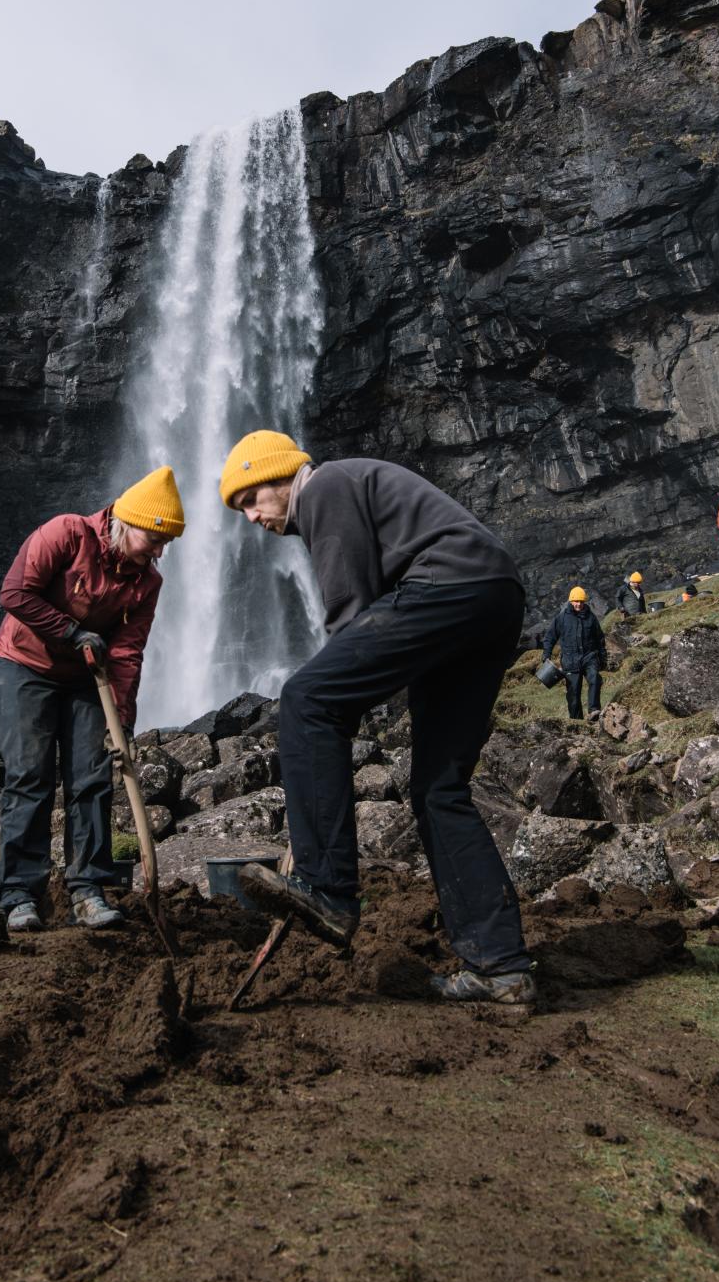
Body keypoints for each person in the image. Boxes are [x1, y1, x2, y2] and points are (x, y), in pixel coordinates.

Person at [221, 430, 535, 1007]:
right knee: (439, 789)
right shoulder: (349, 486)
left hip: (448, 584)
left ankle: (328, 889)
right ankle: (500, 967)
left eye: (249, 499)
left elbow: (349, 612)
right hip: (492, 594)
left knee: (306, 699)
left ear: (278, 474)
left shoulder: (324, 486)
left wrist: (333, 710)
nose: (250, 517)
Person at [0, 466, 185, 933]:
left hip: (87, 679)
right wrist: (71, 631)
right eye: (155, 540)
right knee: (29, 777)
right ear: (129, 522)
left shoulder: (147, 582)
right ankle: (19, 893)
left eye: (166, 546)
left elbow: (127, 651)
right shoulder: (67, 533)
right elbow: (15, 592)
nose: (159, 553)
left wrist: (122, 722)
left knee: (93, 780)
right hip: (24, 667)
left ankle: (88, 890)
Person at [542, 587, 608, 722]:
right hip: (570, 660)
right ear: (571, 601)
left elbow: (599, 639)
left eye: (581, 601)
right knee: (573, 693)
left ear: (584, 602)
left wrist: (602, 657)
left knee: (595, 679)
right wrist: (546, 655)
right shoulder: (562, 618)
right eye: (576, 601)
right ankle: (576, 721)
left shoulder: (591, 617)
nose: (578, 604)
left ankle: (594, 711)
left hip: (589, 657)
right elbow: (550, 637)